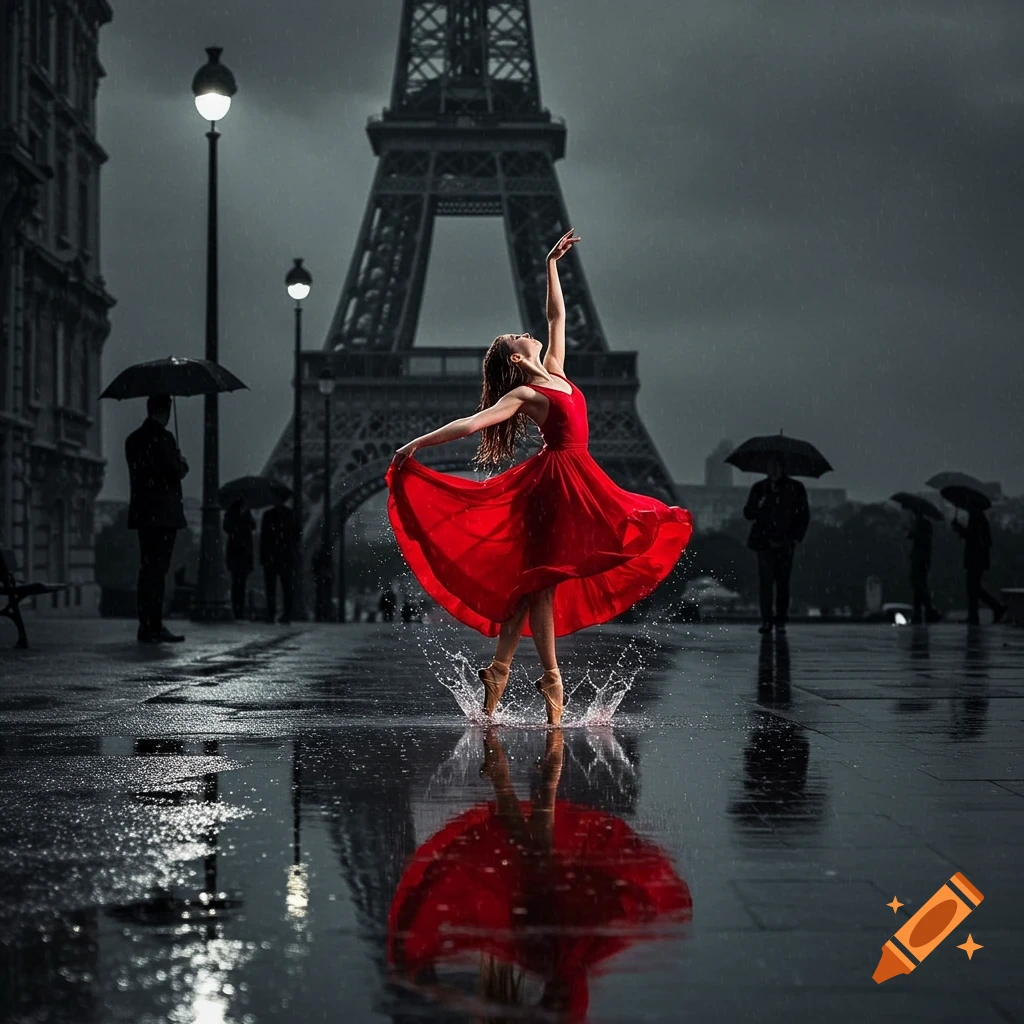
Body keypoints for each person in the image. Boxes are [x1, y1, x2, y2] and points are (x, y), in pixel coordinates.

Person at [387, 229, 693, 725]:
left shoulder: (555, 368)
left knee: (535, 586)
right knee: (544, 584)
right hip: (553, 488)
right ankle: (551, 678)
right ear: (515, 357)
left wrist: (552, 262)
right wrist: (414, 445)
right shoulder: (528, 394)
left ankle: (499, 670)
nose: (526, 331)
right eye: (517, 335)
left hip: (579, 480)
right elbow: (474, 422)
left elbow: (557, 315)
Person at [125, 393, 188, 643]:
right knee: (159, 572)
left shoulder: (133, 440)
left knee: (147, 569)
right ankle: (155, 624)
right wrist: (181, 462)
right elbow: (173, 472)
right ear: (166, 411)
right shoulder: (165, 439)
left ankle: (146, 624)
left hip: (144, 513)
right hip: (163, 515)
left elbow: (144, 472)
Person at [743, 457, 809, 634]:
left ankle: (779, 619)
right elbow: (748, 513)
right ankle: (767, 620)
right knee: (766, 583)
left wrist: (795, 538)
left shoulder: (795, 489)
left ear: (782, 467)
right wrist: (759, 506)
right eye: (770, 465)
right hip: (765, 542)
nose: (772, 469)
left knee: (782, 584)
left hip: (785, 542)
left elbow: (803, 515)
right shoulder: (760, 489)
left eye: (775, 465)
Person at [952, 508, 1007, 625]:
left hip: (975, 559)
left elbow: (972, 537)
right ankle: (981, 612)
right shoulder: (980, 519)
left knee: (973, 587)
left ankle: (993, 608)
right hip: (977, 559)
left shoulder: (977, 519)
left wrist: (959, 529)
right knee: (973, 588)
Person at [260, 495, 298, 624]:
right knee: (286, 587)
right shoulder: (290, 514)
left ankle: (272, 614)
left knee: (273, 587)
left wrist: (263, 557)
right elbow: (297, 535)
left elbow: (264, 538)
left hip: (273, 556)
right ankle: (285, 615)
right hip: (284, 556)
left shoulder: (268, 515)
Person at [223, 496, 255, 620]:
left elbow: (252, 526)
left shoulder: (246, 514)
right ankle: (237, 610)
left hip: (242, 553)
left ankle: (239, 609)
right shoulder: (233, 514)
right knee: (237, 583)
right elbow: (228, 528)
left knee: (240, 583)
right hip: (238, 553)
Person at [906, 511, 940, 624]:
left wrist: (910, 527)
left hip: (919, 560)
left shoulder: (921, 525)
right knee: (919, 586)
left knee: (918, 586)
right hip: (923, 560)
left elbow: (911, 536)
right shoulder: (925, 525)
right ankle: (921, 613)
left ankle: (927, 611)